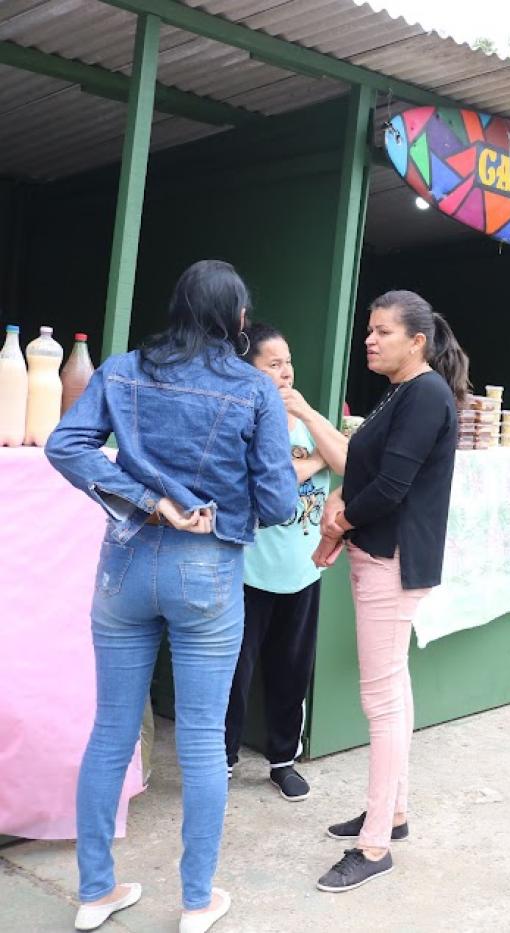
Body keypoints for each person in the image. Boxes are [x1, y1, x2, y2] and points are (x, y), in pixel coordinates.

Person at [46, 260, 296, 933]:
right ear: (239, 320)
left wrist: (150, 499)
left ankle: (95, 891)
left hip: (125, 563)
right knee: (202, 737)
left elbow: (64, 444)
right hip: (208, 573)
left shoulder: (122, 369)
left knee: (111, 730)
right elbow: (275, 501)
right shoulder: (254, 389)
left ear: (177, 307)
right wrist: (212, 503)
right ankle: (194, 900)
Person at [313, 290, 466, 893]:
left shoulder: (424, 393)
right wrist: (339, 506)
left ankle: (374, 845)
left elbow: (392, 487)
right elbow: (366, 473)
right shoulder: (404, 392)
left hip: (391, 559)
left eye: (382, 332)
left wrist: (340, 519)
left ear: (417, 341)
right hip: (380, 552)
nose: (370, 340)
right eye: (369, 331)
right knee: (393, 690)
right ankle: (391, 813)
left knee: (380, 701)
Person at [224, 323, 348, 800]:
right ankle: (224, 760)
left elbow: (353, 461)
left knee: (292, 671)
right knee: (235, 672)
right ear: (248, 371)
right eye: (272, 364)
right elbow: (269, 481)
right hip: (249, 571)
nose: (285, 372)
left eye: (287, 362)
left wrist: (311, 417)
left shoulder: (304, 416)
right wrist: (318, 461)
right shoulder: (242, 418)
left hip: (302, 569)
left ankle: (283, 760)